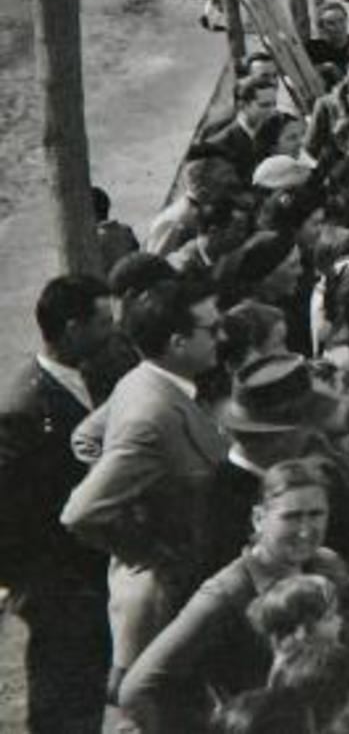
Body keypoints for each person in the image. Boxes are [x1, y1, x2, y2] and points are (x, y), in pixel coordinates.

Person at [61, 276, 228, 699]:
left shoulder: (142, 381)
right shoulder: (151, 414)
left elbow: (86, 436)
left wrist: (140, 493)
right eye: (211, 329)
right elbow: (81, 512)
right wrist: (145, 549)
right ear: (177, 342)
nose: (220, 336)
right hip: (166, 602)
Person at [118, 459, 349, 732]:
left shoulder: (327, 566)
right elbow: (138, 690)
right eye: (291, 516)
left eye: (316, 514)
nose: (305, 530)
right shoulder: (227, 592)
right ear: (259, 519)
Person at [0, 275, 116, 734]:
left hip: (85, 573)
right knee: (63, 701)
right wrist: (32, 588)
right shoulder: (24, 410)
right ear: (73, 328)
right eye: (103, 322)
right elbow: (9, 513)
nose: (112, 331)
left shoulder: (90, 375)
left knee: (86, 694)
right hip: (58, 586)